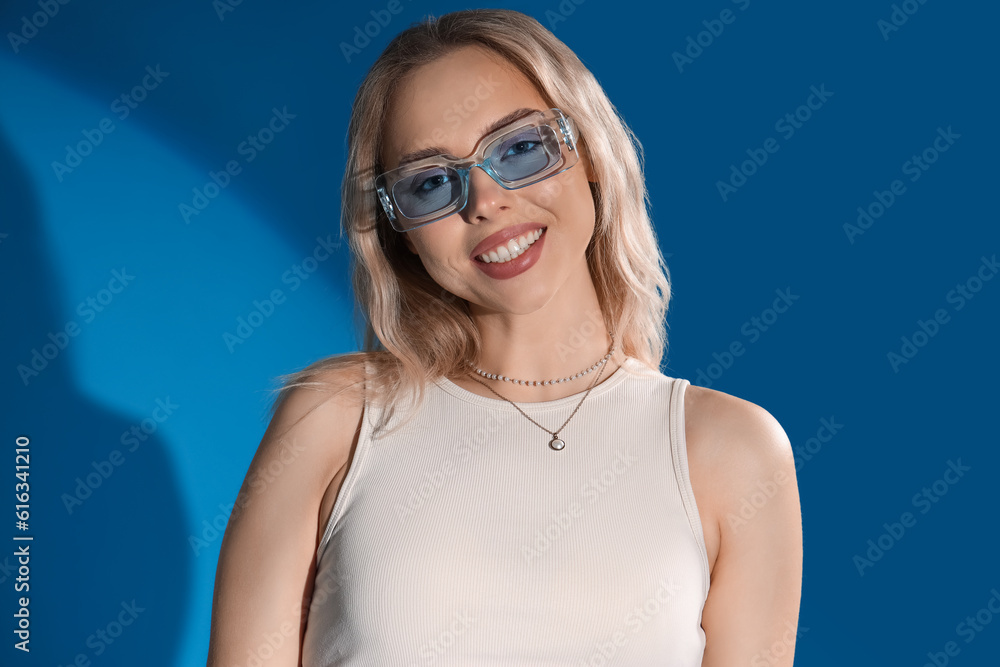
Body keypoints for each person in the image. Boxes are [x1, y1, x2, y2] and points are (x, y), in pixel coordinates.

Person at [207, 8, 802, 667]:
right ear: (398, 227)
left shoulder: (733, 451)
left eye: (520, 148)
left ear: (591, 153)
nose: (485, 200)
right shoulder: (334, 417)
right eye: (431, 182)